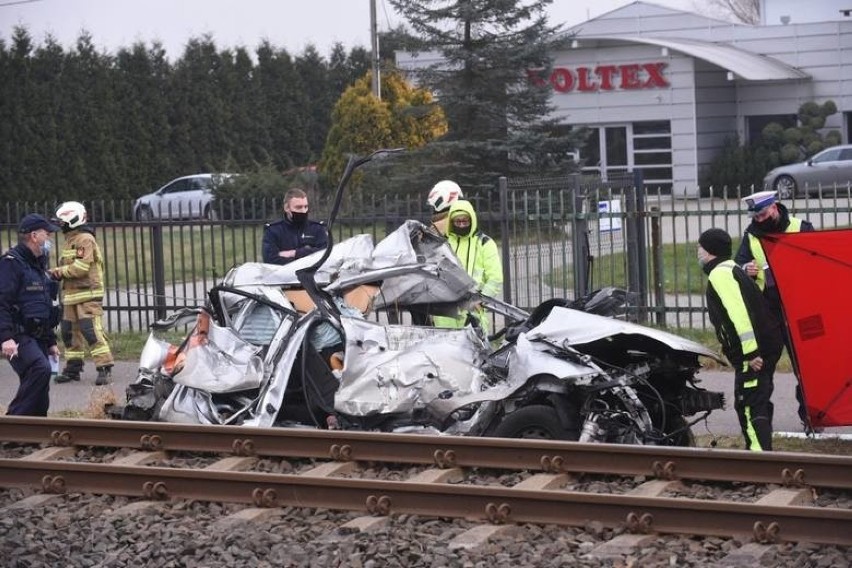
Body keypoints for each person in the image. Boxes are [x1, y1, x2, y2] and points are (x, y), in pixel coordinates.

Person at [734, 190, 815, 431]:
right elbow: (738, 264)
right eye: (755, 217)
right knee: (763, 367)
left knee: (807, 366)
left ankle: (811, 417)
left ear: (774, 208)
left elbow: (816, 261)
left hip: (800, 308)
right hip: (768, 311)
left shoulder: (802, 227)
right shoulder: (752, 235)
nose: (759, 220)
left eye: (762, 214)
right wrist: (745, 268)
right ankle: (761, 420)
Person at [699, 228, 783, 451]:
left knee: (748, 404)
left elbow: (740, 315)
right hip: (767, 345)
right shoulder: (733, 268)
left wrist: (750, 353)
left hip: (755, 351)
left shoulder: (720, 274)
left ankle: (759, 459)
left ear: (710, 252)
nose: (698, 252)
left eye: (700, 248)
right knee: (759, 400)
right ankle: (764, 451)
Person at [0, 214, 62, 415]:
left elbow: (44, 306)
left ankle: (33, 431)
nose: (49, 239)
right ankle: (12, 423)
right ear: (34, 236)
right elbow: (2, 301)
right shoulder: (11, 263)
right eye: (47, 234)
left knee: (40, 388)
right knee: (39, 369)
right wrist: (6, 337)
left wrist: (51, 341)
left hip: (38, 335)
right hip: (18, 335)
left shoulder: (37, 266)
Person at [50, 201, 114, 385]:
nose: (59, 225)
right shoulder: (70, 239)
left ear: (72, 219)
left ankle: (104, 368)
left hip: (88, 295)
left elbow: (81, 267)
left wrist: (59, 271)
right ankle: (73, 369)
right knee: (69, 333)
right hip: (71, 296)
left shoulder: (85, 239)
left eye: (62, 221)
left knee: (91, 331)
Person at [432, 200, 503, 334]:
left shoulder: (484, 243)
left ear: (472, 220)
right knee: (444, 351)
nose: (461, 225)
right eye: (457, 222)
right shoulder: (443, 243)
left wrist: (481, 300)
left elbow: (495, 278)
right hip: (445, 309)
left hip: (472, 309)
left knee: (474, 351)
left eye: (465, 221)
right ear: (451, 222)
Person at [262, 188, 328, 265]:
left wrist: (295, 253)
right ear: (287, 208)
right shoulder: (273, 230)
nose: (303, 211)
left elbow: (325, 253)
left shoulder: (317, 228)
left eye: (306, 207)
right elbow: (270, 260)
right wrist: (309, 256)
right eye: (298, 207)